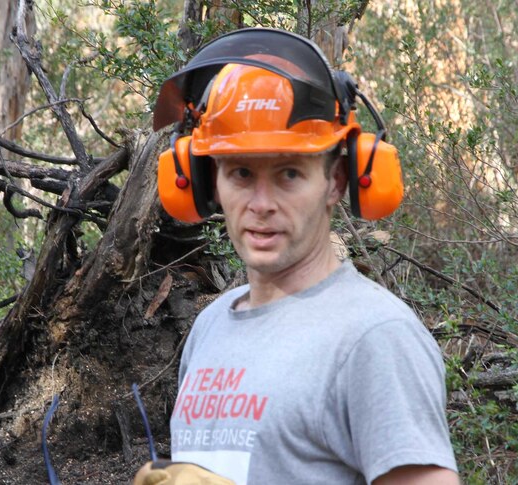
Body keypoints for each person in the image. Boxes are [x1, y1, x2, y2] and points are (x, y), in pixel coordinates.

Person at [136, 28, 459, 485]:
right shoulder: (211, 328)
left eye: (289, 173)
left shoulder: (375, 337)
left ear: (338, 181)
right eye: (241, 173)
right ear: (206, 184)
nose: (262, 203)